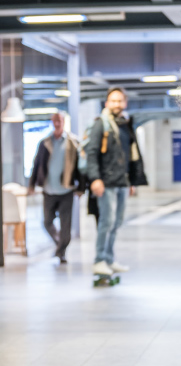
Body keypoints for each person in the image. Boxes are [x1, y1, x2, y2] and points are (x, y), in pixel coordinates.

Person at [84, 87, 147, 276]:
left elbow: (130, 155)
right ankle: (99, 260)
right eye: (113, 101)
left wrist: (132, 181)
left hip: (122, 182)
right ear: (107, 103)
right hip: (106, 183)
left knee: (117, 222)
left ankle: (109, 259)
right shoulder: (100, 124)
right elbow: (91, 153)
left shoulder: (125, 125)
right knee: (106, 222)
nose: (116, 104)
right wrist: (95, 179)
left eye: (120, 101)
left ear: (125, 103)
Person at [27, 111, 84, 264]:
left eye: (59, 120)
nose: (57, 123)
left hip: (66, 189)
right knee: (47, 222)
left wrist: (81, 188)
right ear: (52, 122)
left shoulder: (73, 142)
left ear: (64, 122)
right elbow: (37, 164)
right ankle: (60, 244)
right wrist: (31, 185)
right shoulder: (45, 142)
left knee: (66, 225)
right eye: (54, 121)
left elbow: (81, 168)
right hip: (48, 189)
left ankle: (61, 252)